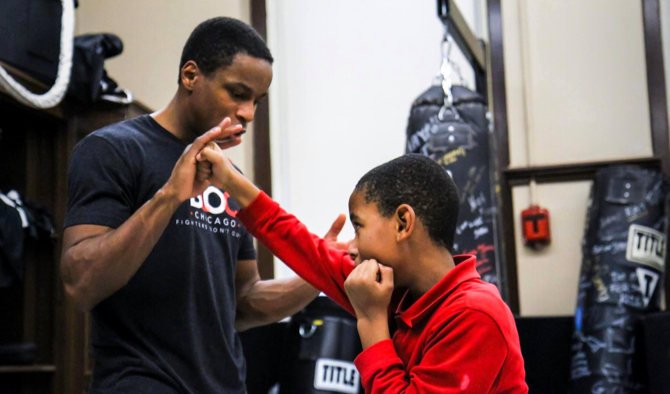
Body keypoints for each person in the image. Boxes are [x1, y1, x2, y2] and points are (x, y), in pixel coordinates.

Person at [59, 17, 341, 393]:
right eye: (237, 93)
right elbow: (80, 284)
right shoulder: (113, 150)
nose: (248, 114)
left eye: (256, 101)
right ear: (190, 76)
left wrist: (320, 272)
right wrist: (169, 196)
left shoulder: (228, 176)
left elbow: (243, 302)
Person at [196, 146, 529, 393]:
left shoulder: (475, 314)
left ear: (403, 223)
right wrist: (228, 179)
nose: (351, 246)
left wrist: (371, 319)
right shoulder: (394, 289)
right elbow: (299, 244)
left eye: (358, 228)